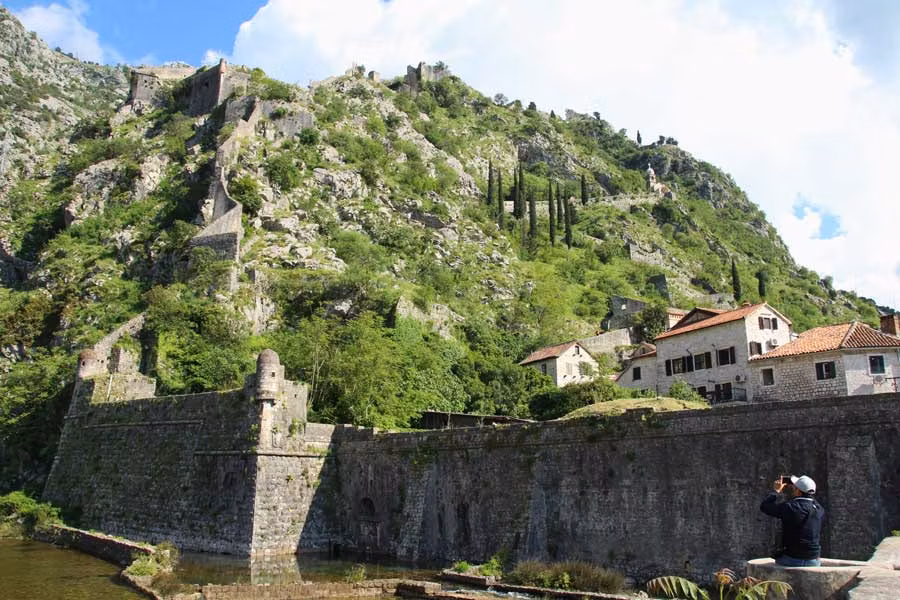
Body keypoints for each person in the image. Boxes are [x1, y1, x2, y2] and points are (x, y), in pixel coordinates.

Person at [760, 474, 824, 567]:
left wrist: (776, 491)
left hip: (792, 558)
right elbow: (809, 500)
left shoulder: (790, 507)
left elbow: (765, 506)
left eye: (794, 487)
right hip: (813, 560)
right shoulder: (819, 509)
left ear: (798, 491)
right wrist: (803, 489)